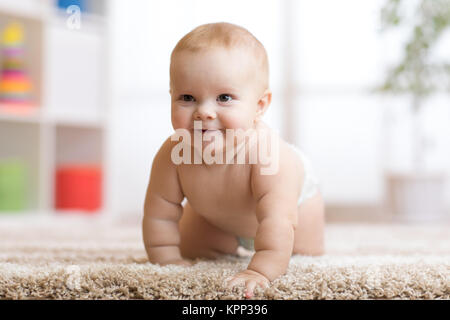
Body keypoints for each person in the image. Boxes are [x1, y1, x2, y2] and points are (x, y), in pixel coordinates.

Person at [142, 22, 325, 299]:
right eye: (187, 97)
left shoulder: (269, 156)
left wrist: (260, 271)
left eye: (224, 98)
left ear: (259, 106)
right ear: (171, 97)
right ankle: (224, 239)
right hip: (215, 215)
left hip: (295, 204)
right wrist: (165, 259)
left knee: (303, 253)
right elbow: (159, 212)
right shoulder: (173, 155)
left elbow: (278, 219)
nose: (204, 112)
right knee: (192, 246)